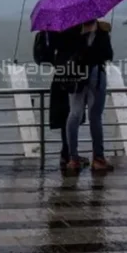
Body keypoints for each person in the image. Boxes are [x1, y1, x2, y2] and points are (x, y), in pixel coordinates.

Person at [63, 19, 114, 174]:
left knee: (75, 113)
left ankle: (73, 159)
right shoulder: (101, 31)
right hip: (94, 75)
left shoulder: (70, 29)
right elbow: (108, 55)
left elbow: (66, 54)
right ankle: (98, 159)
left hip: (77, 75)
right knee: (94, 116)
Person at [34, 26, 87, 169]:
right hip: (75, 73)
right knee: (73, 113)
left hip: (60, 74)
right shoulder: (79, 28)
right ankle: (70, 153)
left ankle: (67, 152)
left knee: (65, 114)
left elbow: (48, 55)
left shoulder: (54, 30)